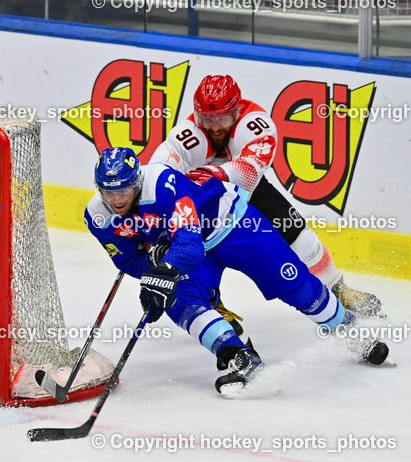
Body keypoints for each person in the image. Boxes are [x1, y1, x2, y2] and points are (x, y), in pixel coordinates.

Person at [86, 147, 387, 396]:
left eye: (123, 190)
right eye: (108, 192)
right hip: (188, 250)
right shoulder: (98, 216)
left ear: (136, 182)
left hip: (233, 225)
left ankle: (347, 330)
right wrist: (154, 273)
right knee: (181, 303)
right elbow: (129, 261)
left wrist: (164, 269)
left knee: (296, 286)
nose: (117, 199)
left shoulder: (161, 184)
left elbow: (190, 246)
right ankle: (237, 355)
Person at [150, 74, 384, 318]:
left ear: (237, 111)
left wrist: (216, 173)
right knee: (193, 247)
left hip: (244, 189)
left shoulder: (257, 123)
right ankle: (207, 302)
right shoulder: (183, 137)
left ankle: (337, 288)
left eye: (222, 118)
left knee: (297, 233)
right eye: (207, 118)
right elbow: (156, 176)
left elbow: (249, 173)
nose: (215, 127)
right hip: (200, 198)